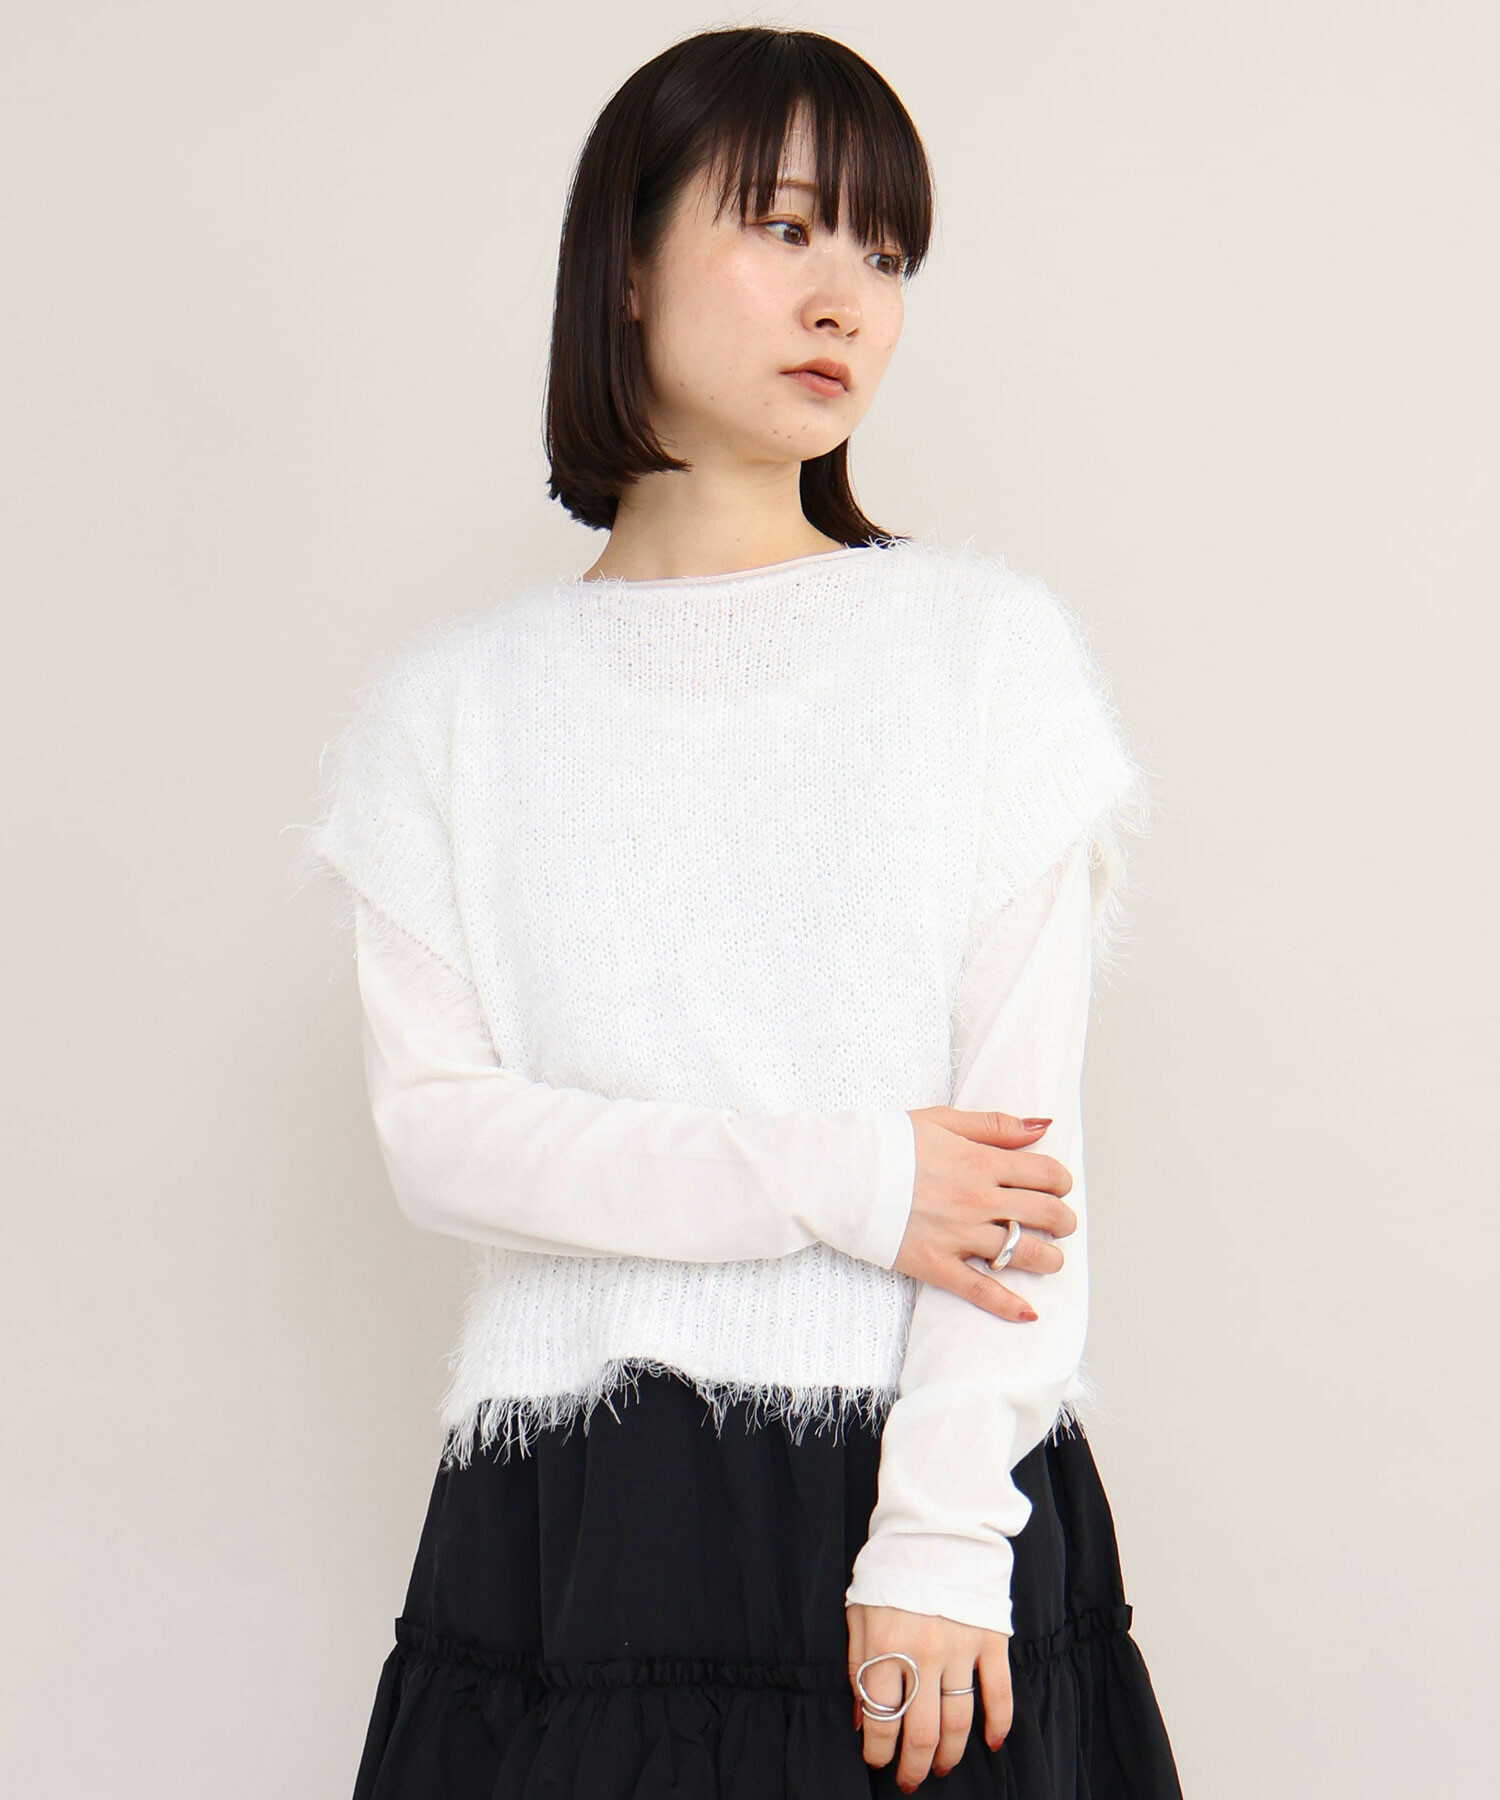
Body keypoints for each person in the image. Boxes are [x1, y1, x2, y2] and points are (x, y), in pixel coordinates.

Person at [292, 25, 1184, 1799]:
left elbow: (1019, 1178)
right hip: (571, 1525)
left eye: (887, 253)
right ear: (624, 264)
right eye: (784, 228)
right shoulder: (449, 714)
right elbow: (444, 1144)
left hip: (917, 1489)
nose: (845, 297)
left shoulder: (983, 660)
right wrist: (848, 1175)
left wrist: (942, 1540)